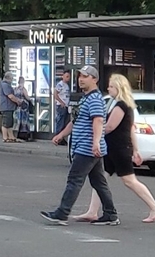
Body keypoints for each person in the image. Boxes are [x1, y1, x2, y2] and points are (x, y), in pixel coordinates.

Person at [74, 74, 155, 223]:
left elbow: (110, 126)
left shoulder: (121, 105)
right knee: (100, 179)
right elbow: (130, 129)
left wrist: (94, 133)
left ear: (119, 87)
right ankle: (92, 211)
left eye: (111, 86)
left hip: (119, 149)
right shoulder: (120, 104)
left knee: (129, 180)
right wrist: (136, 150)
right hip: (114, 148)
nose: (108, 88)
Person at [40, 65, 117, 225]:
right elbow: (76, 121)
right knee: (98, 182)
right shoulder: (86, 98)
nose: (80, 79)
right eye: (80, 76)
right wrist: (61, 135)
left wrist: (95, 143)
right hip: (88, 147)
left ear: (94, 79)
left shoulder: (95, 99)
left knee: (74, 180)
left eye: (85, 76)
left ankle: (62, 213)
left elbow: (98, 121)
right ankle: (110, 214)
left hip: (87, 148)